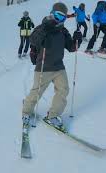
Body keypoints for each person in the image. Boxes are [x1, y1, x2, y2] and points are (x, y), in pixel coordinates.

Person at [22, 2, 82, 130]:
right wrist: (45, 29)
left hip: (59, 67)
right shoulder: (42, 27)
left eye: (63, 17)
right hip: (43, 67)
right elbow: (33, 40)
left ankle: (53, 115)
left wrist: (78, 39)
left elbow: (72, 48)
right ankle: (26, 112)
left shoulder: (63, 31)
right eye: (58, 16)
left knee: (63, 90)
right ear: (52, 14)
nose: (60, 20)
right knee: (37, 92)